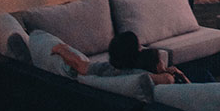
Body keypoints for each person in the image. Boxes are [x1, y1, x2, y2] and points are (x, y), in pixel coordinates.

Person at [52, 31, 198, 85]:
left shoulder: (105, 69)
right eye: (138, 47)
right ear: (134, 53)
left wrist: (61, 49)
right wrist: (170, 72)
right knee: (202, 75)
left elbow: (79, 64)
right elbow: (168, 80)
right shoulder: (138, 76)